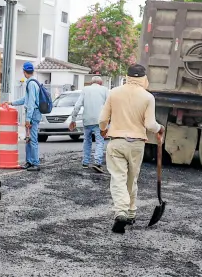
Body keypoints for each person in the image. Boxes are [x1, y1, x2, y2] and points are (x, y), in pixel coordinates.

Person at [99, 64, 163, 233]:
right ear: (144, 78)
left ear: (126, 77)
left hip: (117, 141)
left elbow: (103, 118)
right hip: (136, 144)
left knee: (118, 178)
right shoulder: (148, 97)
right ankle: (131, 213)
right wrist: (160, 129)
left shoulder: (114, 93)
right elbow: (150, 124)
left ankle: (121, 212)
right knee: (132, 179)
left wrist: (103, 128)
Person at [5, 62, 46, 171]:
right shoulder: (32, 82)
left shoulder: (31, 84)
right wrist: (11, 103)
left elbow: (31, 103)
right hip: (33, 113)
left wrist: (28, 119)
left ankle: (35, 163)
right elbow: (25, 99)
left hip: (33, 114)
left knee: (32, 139)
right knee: (28, 139)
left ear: (24, 71)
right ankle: (29, 161)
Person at [69, 77, 109, 173]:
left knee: (87, 141)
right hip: (100, 120)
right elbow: (109, 105)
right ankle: (97, 162)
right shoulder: (104, 90)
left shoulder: (85, 90)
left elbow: (77, 105)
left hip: (87, 120)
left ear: (91, 82)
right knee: (100, 141)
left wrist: (73, 119)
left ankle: (85, 162)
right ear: (100, 82)